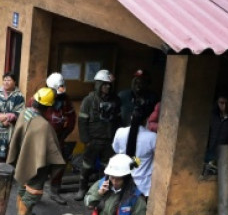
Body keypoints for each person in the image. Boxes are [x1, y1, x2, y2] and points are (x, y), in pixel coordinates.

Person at [5, 87, 66, 215]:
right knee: (34, 190)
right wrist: (56, 166)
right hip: (38, 164)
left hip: (23, 159)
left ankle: (23, 212)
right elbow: (53, 151)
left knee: (23, 184)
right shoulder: (44, 126)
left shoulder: (24, 113)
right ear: (48, 107)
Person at [75, 70, 122, 201]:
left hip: (109, 141)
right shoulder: (89, 100)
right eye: (104, 84)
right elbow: (82, 121)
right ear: (98, 84)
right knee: (87, 166)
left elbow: (118, 121)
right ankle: (82, 189)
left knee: (106, 167)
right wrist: (86, 140)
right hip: (93, 140)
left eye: (109, 84)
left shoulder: (116, 100)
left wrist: (116, 139)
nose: (107, 87)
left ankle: (101, 190)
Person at [43, 73, 77, 205]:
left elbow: (71, 118)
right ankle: (33, 193)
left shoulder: (65, 100)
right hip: (42, 139)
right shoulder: (41, 96)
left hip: (58, 138)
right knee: (40, 165)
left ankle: (54, 191)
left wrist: (65, 134)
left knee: (59, 164)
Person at [112, 101, 157, 196]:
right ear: (147, 120)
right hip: (143, 187)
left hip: (122, 182)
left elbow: (116, 150)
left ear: (131, 117)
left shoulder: (120, 132)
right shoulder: (152, 137)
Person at [203, 94, 228, 175]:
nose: (224, 106)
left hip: (227, 157)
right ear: (217, 102)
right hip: (209, 153)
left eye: (227, 103)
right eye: (221, 103)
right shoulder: (212, 116)